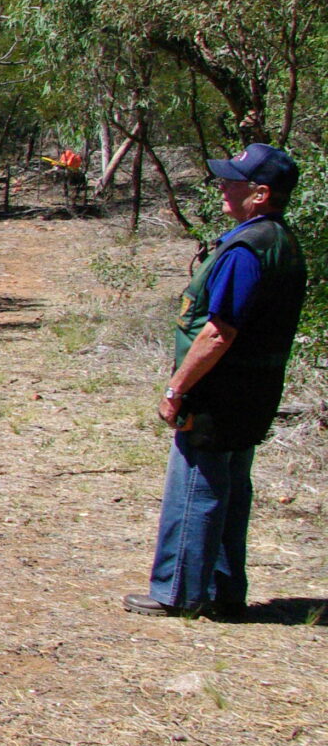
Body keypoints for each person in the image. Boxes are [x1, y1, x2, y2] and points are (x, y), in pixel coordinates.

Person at [125, 143, 309, 618]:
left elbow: (218, 331)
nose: (223, 187)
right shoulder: (281, 241)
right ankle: (225, 592)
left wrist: (176, 389)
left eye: (234, 181)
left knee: (196, 488)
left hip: (218, 392)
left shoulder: (247, 248)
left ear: (261, 194)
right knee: (230, 487)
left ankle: (178, 592)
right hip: (254, 389)